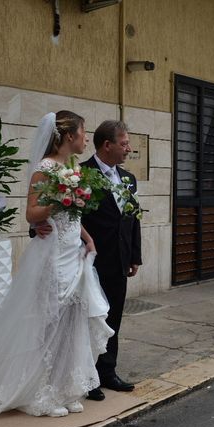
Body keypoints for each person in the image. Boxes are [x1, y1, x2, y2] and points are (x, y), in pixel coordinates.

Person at [0, 111, 114, 419]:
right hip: (53, 256)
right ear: (69, 136)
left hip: (74, 254)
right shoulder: (45, 168)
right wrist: (61, 198)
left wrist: (87, 236)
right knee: (48, 324)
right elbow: (31, 214)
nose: (86, 138)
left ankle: (65, 388)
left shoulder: (72, 168)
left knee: (71, 322)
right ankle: (41, 392)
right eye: (83, 133)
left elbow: (73, 214)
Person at [81, 120, 142, 401]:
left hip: (119, 261)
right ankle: (87, 377)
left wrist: (134, 256)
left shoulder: (128, 178)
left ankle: (108, 372)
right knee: (88, 321)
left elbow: (133, 219)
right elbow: (69, 217)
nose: (128, 148)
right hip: (90, 263)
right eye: (124, 143)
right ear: (108, 145)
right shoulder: (81, 174)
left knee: (113, 319)